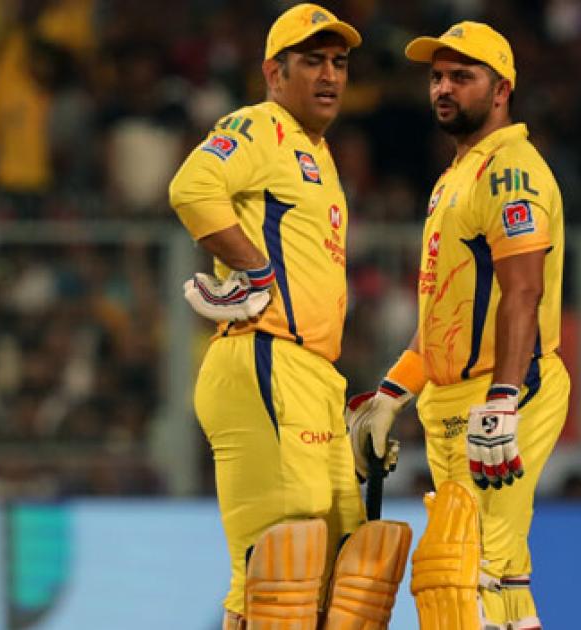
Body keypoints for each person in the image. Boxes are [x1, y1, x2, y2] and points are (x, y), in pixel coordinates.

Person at [168, 5, 410, 629]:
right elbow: (191, 188)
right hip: (265, 356)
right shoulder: (261, 126)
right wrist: (255, 271)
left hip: (311, 374)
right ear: (274, 73)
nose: (330, 75)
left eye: (339, 63)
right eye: (312, 61)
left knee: (345, 578)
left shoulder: (318, 154)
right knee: (282, 573)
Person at [347, 21, 569, 630]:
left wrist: (503, 399)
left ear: (501, 91)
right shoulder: (456, 176)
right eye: (438, 77)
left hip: (502, 391)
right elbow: (441, 314)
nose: (443, 88)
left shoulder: (511, 172)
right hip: (450, 404)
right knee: (498, 578)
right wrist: (391, 395)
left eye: (462, 77)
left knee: (465, 573)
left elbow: (523, 291)